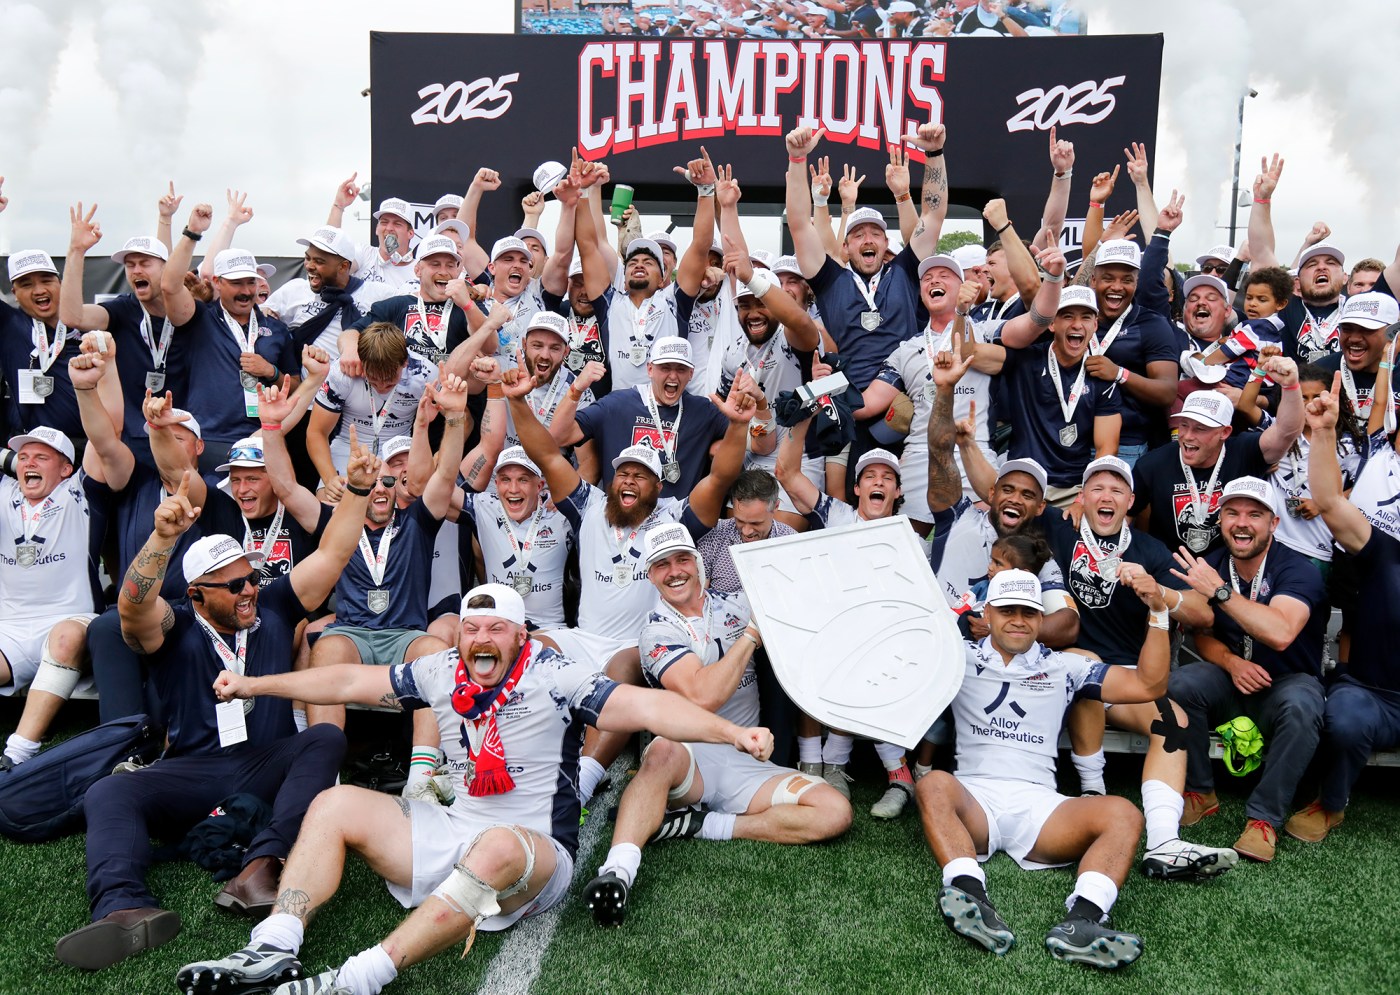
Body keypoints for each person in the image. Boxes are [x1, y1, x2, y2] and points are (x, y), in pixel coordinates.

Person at [175, 582, 775, 995]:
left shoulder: (554, 675)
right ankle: (274, 945)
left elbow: (650, 708)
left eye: (497, 627)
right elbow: (349, 680)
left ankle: (356, 980)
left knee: (497, 846)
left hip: (534, 851)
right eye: (471, 627)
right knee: (333, 803)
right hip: (455, 829)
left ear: (520, 636)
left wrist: (732, 732)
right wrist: (255, 685)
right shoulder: (441, 670)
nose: (482, 637)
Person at [53, 442, 380, 970]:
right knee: (110, 789)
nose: (249, 589)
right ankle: (123, 908)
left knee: (323, 738)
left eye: (251, 577)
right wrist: (163, 538)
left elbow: (332, 555)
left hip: (266, 763)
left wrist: (359, 490)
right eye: (233, 585)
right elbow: (132, 607)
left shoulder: (273, 605)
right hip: (193, 770)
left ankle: (262, 867)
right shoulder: (174, 625)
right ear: (198, 594)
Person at [584, 524, 852, 927]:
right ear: (651, 575)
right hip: (690, 759)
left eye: (682, 560)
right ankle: (618, 872)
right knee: (662, 749)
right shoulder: (656, 630)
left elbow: (806, 598)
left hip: (749, 762)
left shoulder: (735, 604)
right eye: (662, 565)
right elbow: (702, 695)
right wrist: (753, 634)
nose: (674, 571)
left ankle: (703, 825)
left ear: (698, 563)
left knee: (835, 812)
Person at [916, 569, 1167, 971]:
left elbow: (1149, 686)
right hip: (973, 800)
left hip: (1041, 807)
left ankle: (1083, 922)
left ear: (1040, 618)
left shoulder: (1066, 666)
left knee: (1124, 813)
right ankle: (969, 895)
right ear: (987, 613)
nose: (1018, 620)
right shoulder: (956, 655)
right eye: (1007, 611)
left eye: (1029, 612)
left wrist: (1158, 612)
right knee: (933, 784)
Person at [1165, 476, 1328, 862]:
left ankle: (1263, 819)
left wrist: (1220, 592)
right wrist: (1231, 662)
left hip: (1284, 684)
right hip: (1230, 681)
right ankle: (1200, 791)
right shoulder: (1213, 564)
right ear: (1220, 520)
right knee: (1179, 684)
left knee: (1304, 705)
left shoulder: (1297, 568)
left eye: (1255, 515)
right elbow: (1203, 635)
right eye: (1233, 513)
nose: (1242, 523)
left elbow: (1281, 633)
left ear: (1274, 523)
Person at [1283, 376, 1400, 842]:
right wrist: (1325, 432)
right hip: (1376, 695)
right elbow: (1330, 501)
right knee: (1345, 717)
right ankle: (1331, 803)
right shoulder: (1384, 550)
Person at [998, 238, 1179, 468]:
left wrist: (1120, 374)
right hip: (1058, 443)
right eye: (1108, 278)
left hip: (1124, 443)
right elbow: (1029, 292)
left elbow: (1167, 392)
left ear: (1137, 282)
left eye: (1127, 280)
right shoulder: (1066, 317)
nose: (1117, 287)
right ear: (1093, 280)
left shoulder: (1152, 325)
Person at [0, 419, 108, 768]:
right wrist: (11, 463)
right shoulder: (4, 490)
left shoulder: (79, 491)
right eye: (23, 457)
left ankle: (17, 755)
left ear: (65, 468)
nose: (29, 463)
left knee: (65, 638)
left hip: (71, 620)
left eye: (41, 457)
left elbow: (103, 436)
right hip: (9, 629)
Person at [160, 204, 300, 469]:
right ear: (217, 282)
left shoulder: (275, 328)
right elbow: (168, 286)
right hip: (209, 440)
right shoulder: (199, 318)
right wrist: (192, 233)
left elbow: (295, 387)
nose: (246, 291)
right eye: (236, 283)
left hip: (262, 439)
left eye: (250, 282)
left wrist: (271, 372)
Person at [961, 284, 1123, 505]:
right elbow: (967, 353)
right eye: (1067, 316)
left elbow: (1107, 449)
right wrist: (961, 311)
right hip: (1023, 481)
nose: (1077, 324)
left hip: (1072, 489)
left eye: (1086, 317)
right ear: (1052, 323)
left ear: (1095, 325)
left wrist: (1082, 500)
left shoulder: (1101, 375)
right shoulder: (1026, 359)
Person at [59, 197, 194, 460]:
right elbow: (73, 317)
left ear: (166, 268)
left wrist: (168, 220)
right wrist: (76, 251)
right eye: (130, 265)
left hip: (184, 436)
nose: (136, 270)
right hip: (133, 441)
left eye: (145, 263)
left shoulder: (189, 311)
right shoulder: (123, 309)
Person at [1130, 371, 1303, 556]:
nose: (1188, 436)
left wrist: (1291, 385)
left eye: (1200, 429)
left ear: (1225, 432)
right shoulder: (1153, 463)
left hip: (1231, 565)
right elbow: (1126, 513)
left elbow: (1286, 432)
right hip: (1170, 566)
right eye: (1184, 425)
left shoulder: (1245, 451)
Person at [557, 337, 736, 499]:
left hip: (674, 520)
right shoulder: (616, 404)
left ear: (691, 374)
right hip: (622, 515)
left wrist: (739, 425)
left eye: (681, 369)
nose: (673, 376)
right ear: (650, 369)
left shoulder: (703, 411)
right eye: (665, 368)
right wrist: (576, 389)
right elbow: (560, 436)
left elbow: (750, 444)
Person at [307, 322, 437, 494]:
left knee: (419, 497)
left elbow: (460, 419)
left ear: (405, 362)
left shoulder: (425, 374)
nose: (382, 387)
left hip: (399, 452)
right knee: (328, 499)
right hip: (349, 447)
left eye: (390, 382)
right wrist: (330, 478)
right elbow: (316, 432)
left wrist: (437, 460)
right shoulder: (342, 373)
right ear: (361, 361)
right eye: (373, 380)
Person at [1246, 155, 1348, 363]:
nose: (1321, 267)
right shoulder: (1284, 305)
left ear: (1345, 277)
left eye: (1331, 263)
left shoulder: (1359, 309)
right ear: (1297, 282)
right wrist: (1262, 200)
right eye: (1312, 264)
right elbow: (1262, 252)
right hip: (1290, 384)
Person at [262, 226, 397, 359]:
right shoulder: (293, 290)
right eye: (307, 258)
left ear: (343, 266)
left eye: (319, 261)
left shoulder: (379, 294)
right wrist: (265, 313)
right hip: (305, 373)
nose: (309, 266)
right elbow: (257, 320)